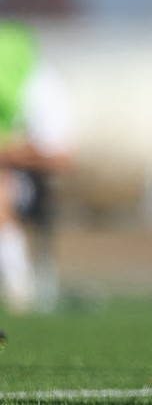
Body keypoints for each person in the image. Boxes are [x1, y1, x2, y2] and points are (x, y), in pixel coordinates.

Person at [0, 20, 73, 316]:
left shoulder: (41, 84)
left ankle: (17, 283)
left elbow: (61, 156)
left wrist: (8, 152)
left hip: (33, 182)